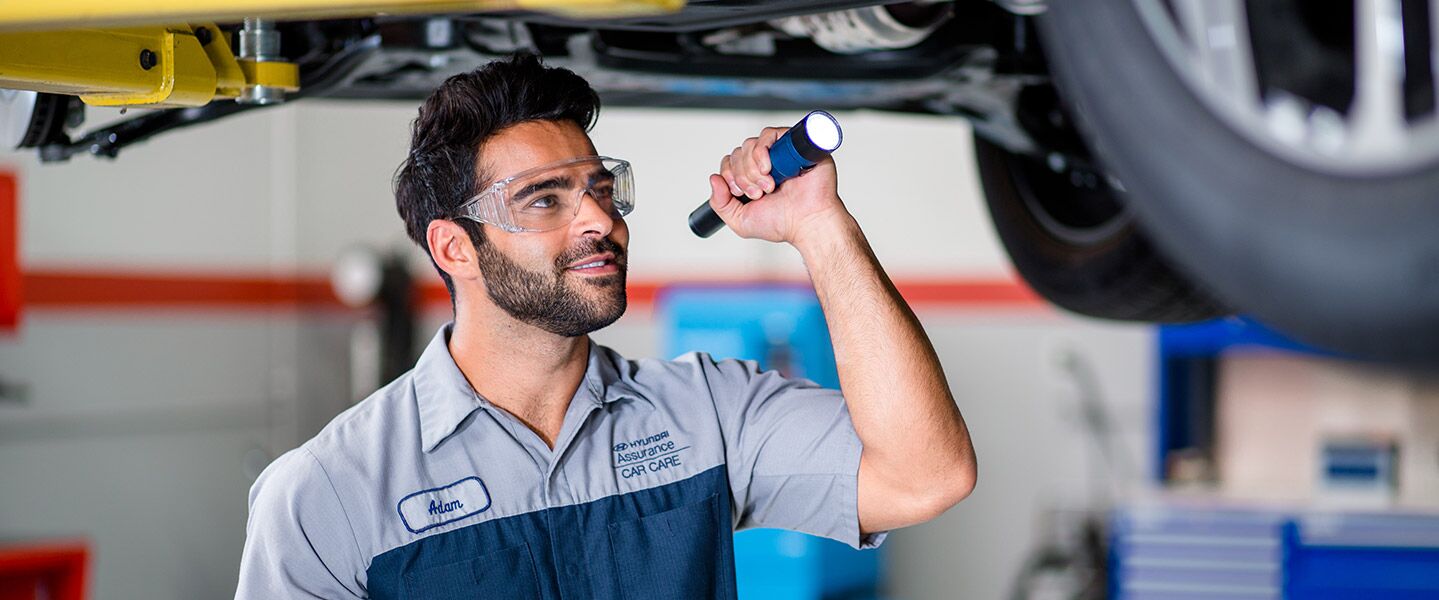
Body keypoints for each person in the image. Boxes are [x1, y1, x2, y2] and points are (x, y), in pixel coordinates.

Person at [235, 53, 976, 600]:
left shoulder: (707, 416)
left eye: (599, 188)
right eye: (544, 200)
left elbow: (925, 476)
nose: (598, 219)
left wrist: (819, 225)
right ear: (454, 247)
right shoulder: (330, 491)